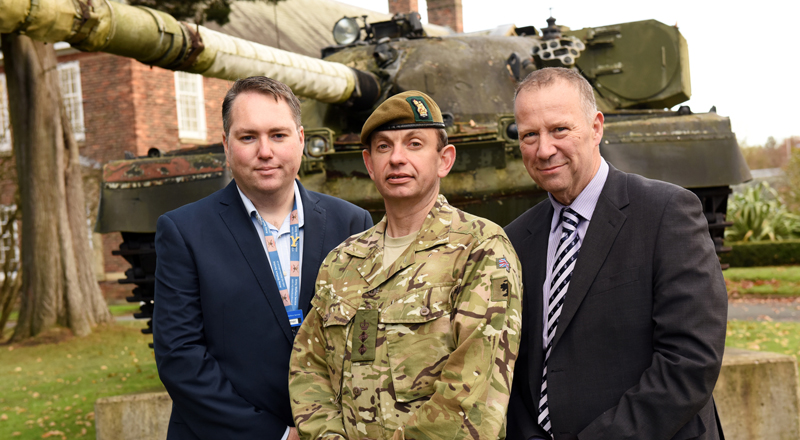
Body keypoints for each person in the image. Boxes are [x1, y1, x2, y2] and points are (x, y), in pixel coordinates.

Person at [504, 67, 728, 440]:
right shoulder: (516, 239)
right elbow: (512, 364)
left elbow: (690, 361)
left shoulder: (666, 213)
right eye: (530, 135)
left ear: (596, 128)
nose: (544, 150)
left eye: (559, 129)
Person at [288, 91, 523, 440]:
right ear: (369, 164)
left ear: (444, 159)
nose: (397, 158)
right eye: (384, 147)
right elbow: (309, 368)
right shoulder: (342, 261)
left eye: (414, 143)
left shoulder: (480, 248)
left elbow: (473, 395)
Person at [153, 76, 373, 440]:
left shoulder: (351, 223)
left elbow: (365, 337)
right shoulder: (184, 232)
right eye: (248, 137)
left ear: (301, 139)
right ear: (226, 145)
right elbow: (180, 357)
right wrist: (278, 435)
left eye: (278, 135)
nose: (265, 151)